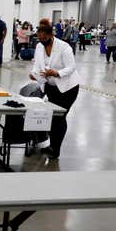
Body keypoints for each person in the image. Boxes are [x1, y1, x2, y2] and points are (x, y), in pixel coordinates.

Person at [29, 19, 80, 159]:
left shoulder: (64, 47)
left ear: (51, 35)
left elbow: (71, 67)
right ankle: (50, 146)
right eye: (39, 38)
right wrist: (34, 74)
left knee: (59, 117)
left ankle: (55, 150)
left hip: (68, 88)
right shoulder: (39, 46)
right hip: (51, 87)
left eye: (44, 38)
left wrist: (57, 73)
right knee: (50, 118)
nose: (41, 40)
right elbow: (37, 65)